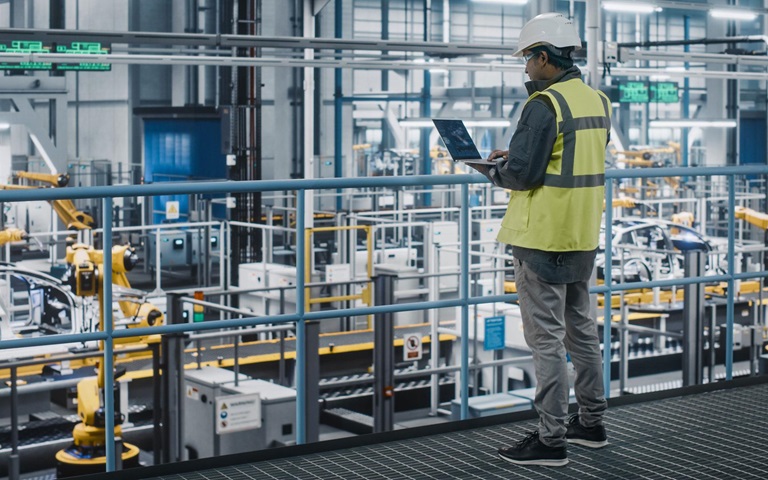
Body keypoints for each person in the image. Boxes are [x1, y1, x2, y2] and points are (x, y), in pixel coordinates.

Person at [476, 13, 611, 467]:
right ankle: (591, 424)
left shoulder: (543, 104)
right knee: (582, 331)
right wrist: (518, 154)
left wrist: (495, 168)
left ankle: (551, 441)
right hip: (581, 233)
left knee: (547, 342)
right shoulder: (596, 100)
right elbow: (569, 155)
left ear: (543, 56)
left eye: (527, 59)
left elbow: (523, 175)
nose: (525, 68)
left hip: (542, 237)